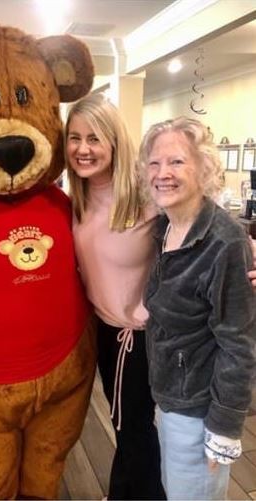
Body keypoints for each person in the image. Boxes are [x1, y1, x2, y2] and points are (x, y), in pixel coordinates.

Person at [139, 116, 256, 500]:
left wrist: (223, 428)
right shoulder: (166, 227)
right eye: (155, 163)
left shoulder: (223, 242)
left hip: (200, 410)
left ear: (203, 168)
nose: (162, 173)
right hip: (171, 398)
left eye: (176, 162)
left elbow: (239, 344)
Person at [65, 93, 166, 500]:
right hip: (103, 329)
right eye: (74, 138)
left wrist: (244, 264)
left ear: (114, 142)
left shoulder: (147, 193)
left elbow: (207, 227)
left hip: (136, 334)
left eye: (94, 138)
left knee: (132, 428)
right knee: (128, 423)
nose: (83, 149)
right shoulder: (77, 198)